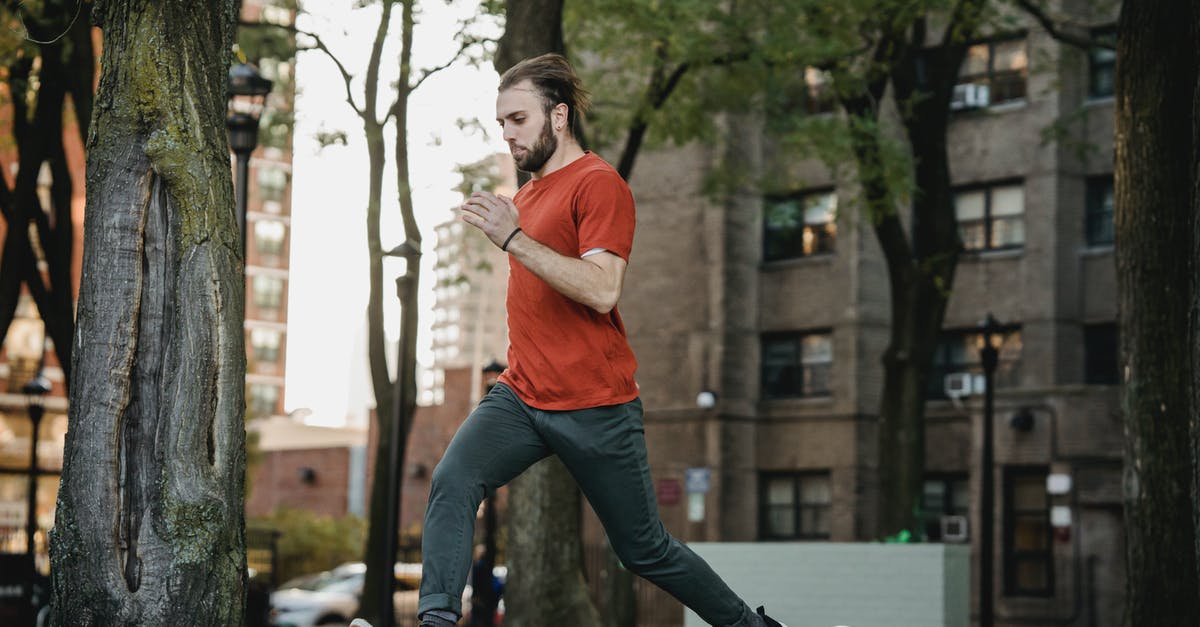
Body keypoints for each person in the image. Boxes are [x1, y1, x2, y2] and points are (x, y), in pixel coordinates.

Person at [360, 53, 787, 627]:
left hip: (596, 405)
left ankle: (750, 626)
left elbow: (602, 289)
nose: (508, 134)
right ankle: (436, 621)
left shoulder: (598, 184)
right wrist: (514, 228)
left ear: (557, 117)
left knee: (645, 551)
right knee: (453, 479)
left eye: (518, 119)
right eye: (501, 124)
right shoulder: (529, 197)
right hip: (522, 395)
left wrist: (512, 237)